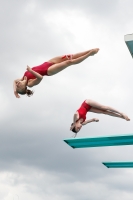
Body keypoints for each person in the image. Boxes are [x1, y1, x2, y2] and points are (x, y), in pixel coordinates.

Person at [13, 48, 99, 98]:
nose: (17, 84)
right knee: (69, 62)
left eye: (17, 85)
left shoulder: (22, 78)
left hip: (47, 63)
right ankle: (89, 54)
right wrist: (31, 71)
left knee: (70, 56)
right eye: (18, 86)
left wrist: (15, 92)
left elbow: (14, 81)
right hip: (48, 70)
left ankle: (89, 51)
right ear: (24, 88)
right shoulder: (30, 83)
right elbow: (40, 78)